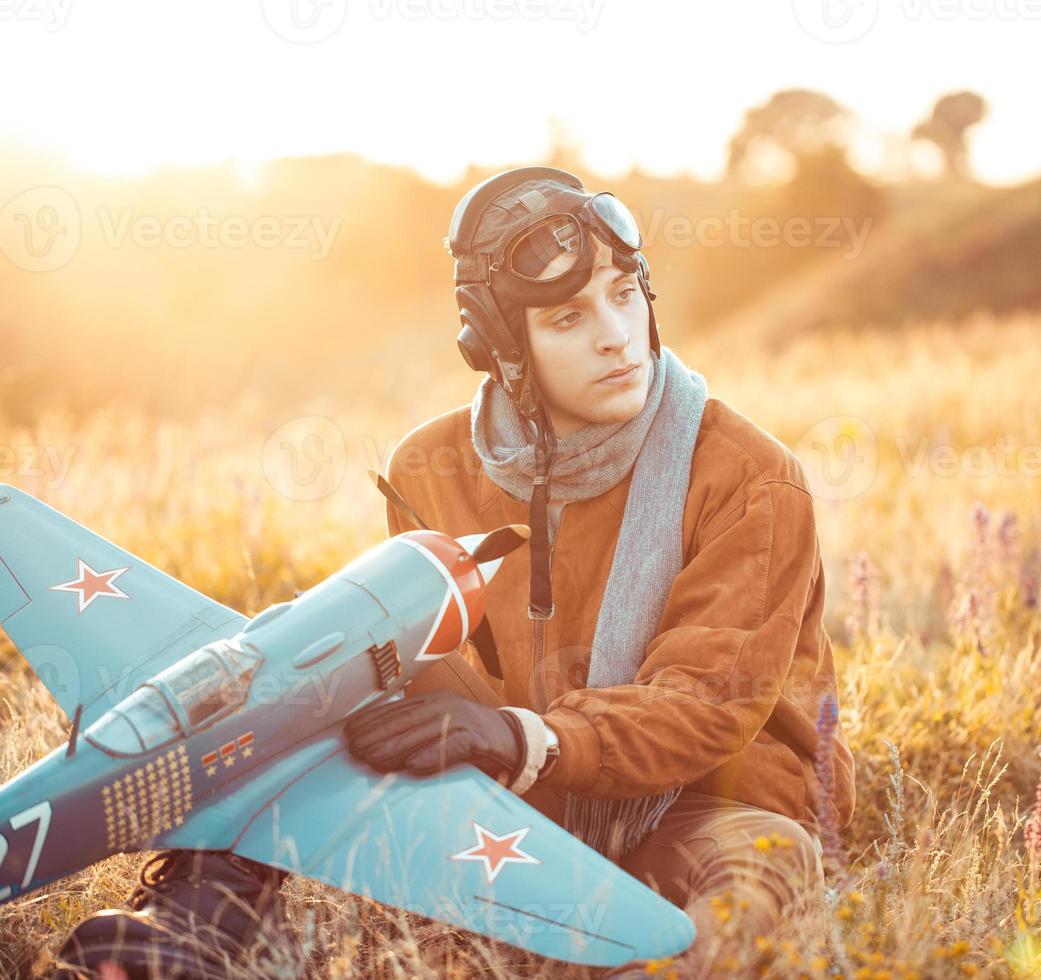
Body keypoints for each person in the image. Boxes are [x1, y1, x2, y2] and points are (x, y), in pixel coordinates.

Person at [53, 166, 856, 979]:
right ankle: (198, 916)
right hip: (520, 790)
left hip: (709, 797)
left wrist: (522, 735)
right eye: (568, 317)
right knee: (331, 660)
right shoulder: (430, 467)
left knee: (759, 871)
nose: (616, 334)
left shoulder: (751, 477)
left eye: (624, 292)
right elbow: (414, 664)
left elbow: (706, 705)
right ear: (503, 347)